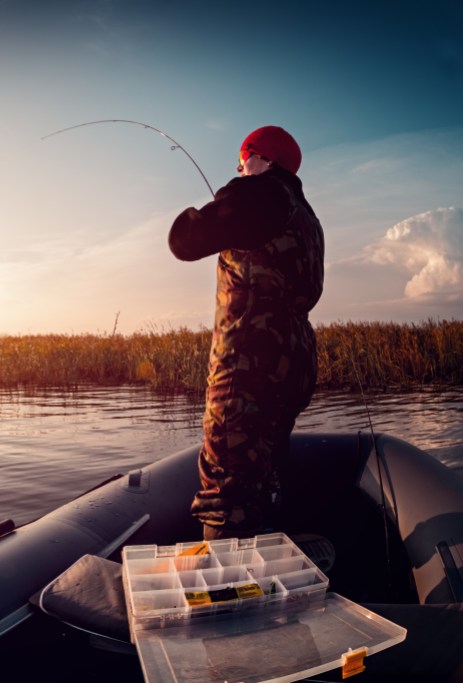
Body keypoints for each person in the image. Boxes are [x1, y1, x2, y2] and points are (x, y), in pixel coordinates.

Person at [168, 126, 324, 540]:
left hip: (247, 366)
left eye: (243, 158)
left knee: (228, 490)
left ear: (262, 159)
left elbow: (183, 242)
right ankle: (270, 567)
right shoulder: (307, 217)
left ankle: (228, 593)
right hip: (293, 363)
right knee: (268, 476)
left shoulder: (259, 193)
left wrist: (212, 202)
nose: (238, 166)